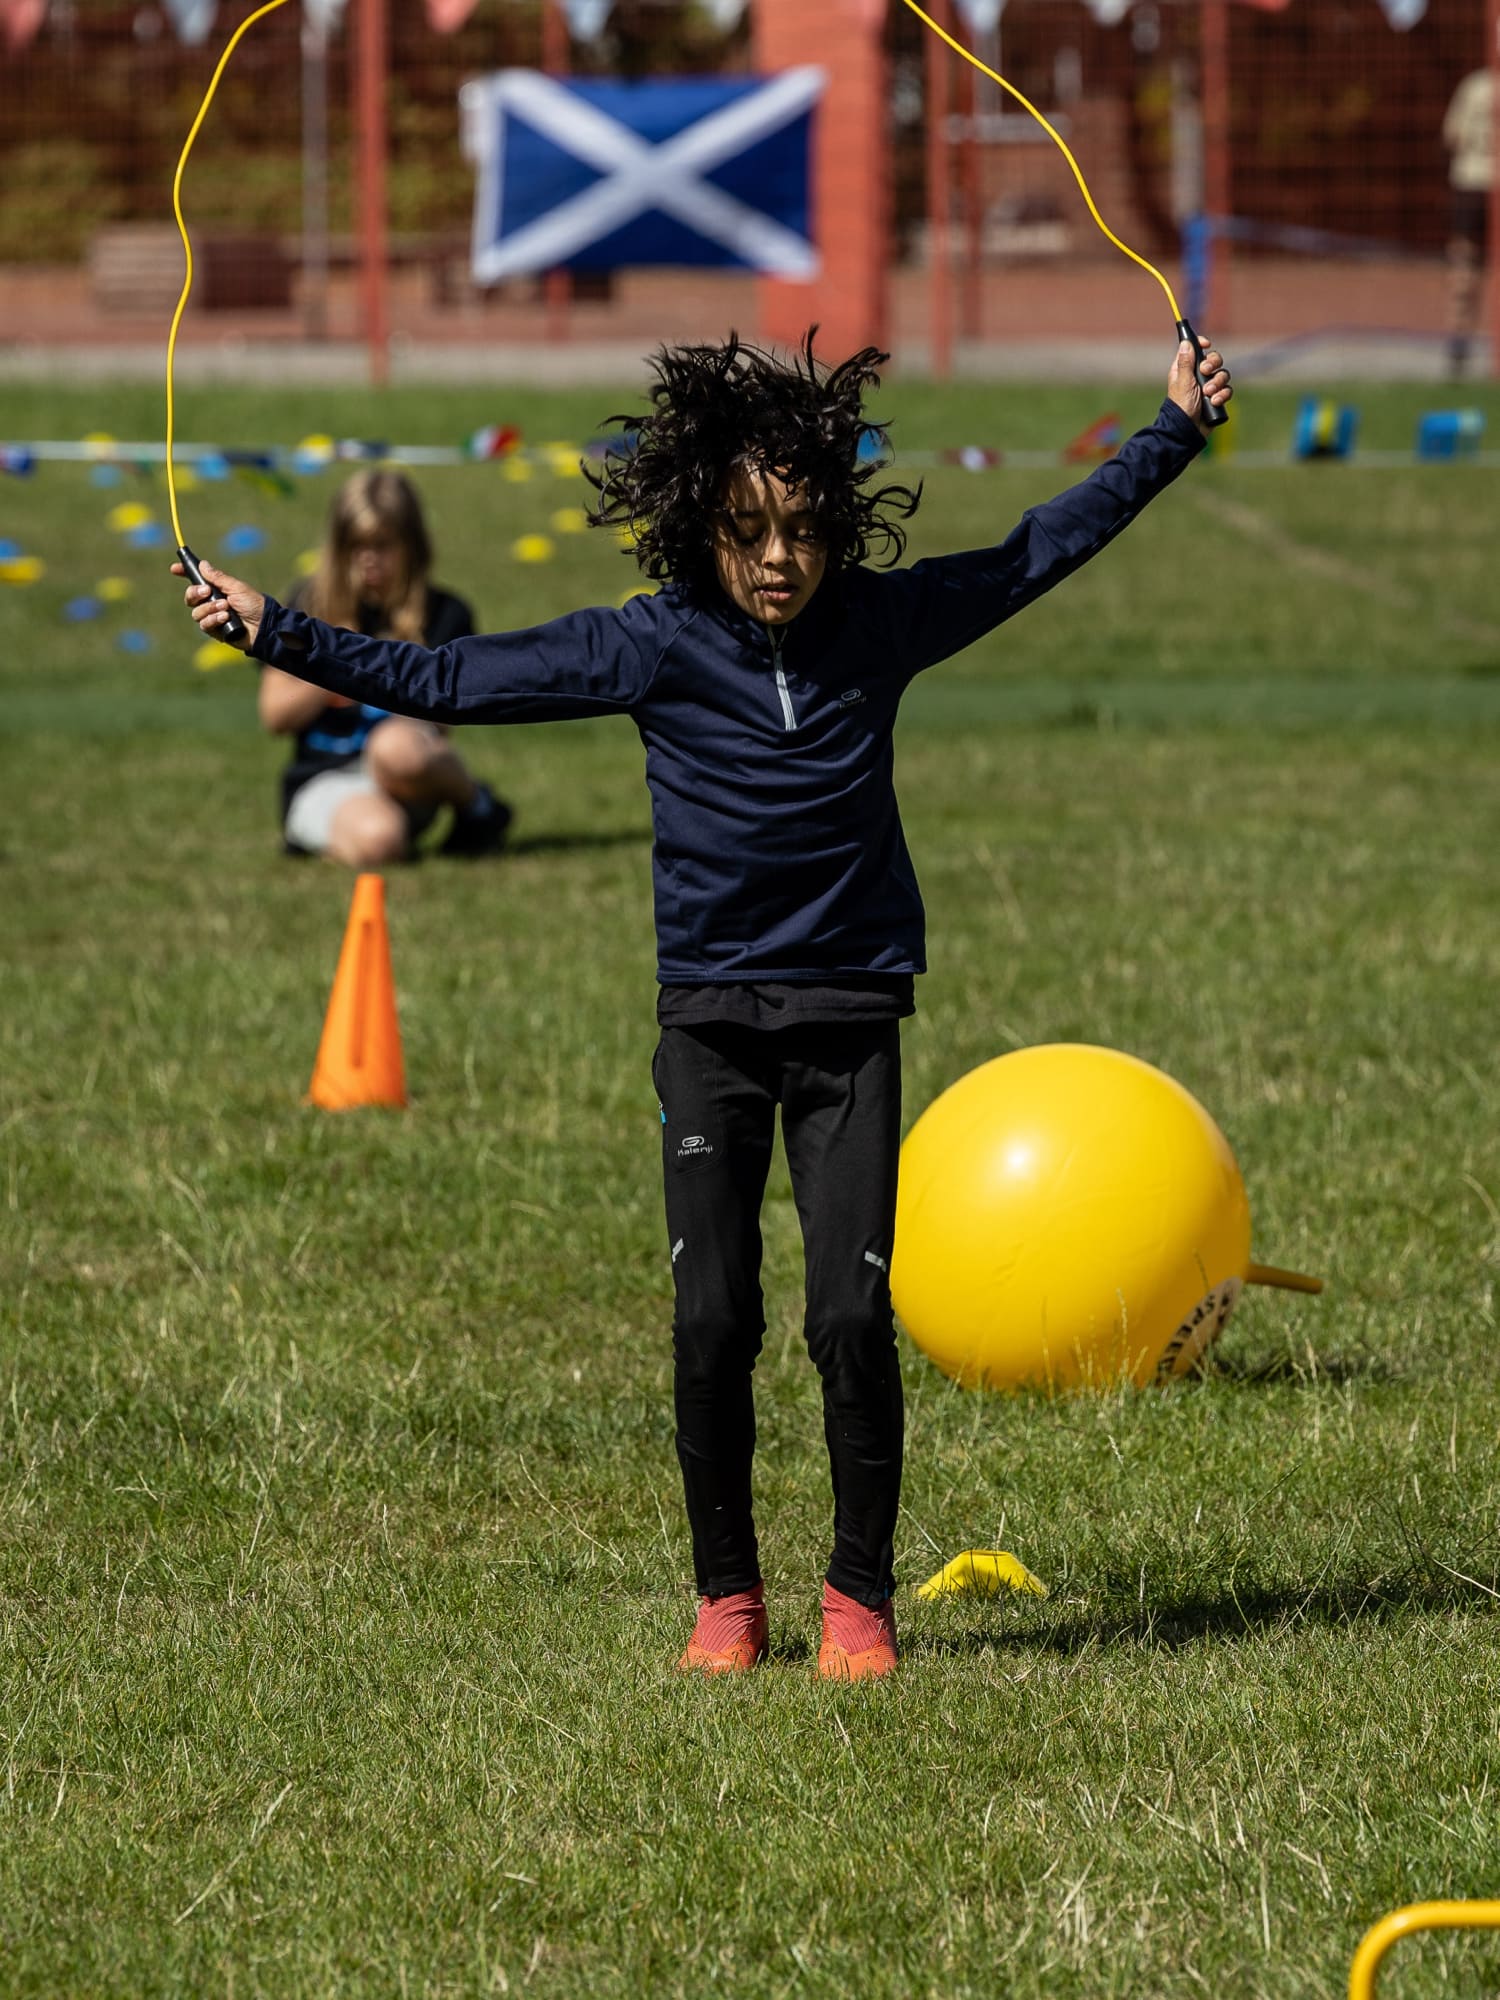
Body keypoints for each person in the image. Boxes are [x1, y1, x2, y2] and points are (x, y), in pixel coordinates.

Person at [176, 329, 1232, 1680]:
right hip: (711, 1027)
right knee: (712, 1320)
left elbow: (1038, 548)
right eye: (747, 531)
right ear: (700, 529)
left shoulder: (880, 625)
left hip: (850, 1022)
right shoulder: (654, 645)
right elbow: (453, 680)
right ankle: (727, 1600)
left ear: (836, 526)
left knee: (849, 1320)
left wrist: (1172, 432)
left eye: (800, 527)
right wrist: (278, 629)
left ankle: (859, 1602)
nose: (779, 557)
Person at [262, 468, 512, 864]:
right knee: (380, 838)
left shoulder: (445, 613)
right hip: (326, 777)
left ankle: (479, 808)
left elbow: (446, 723)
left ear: (412, 545)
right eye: (355, 546)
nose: (368, 560)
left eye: (382, 545)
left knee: (395, 748)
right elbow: (275, 715)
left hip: (406, 777)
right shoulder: (309, 606)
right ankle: (335, 832)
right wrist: (334, 665)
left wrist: (393, 669)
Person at [1442, 66, 1494, 379]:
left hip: (1471, 183)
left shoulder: (1474, 85)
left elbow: (1452, 136)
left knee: (1464, 265)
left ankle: (1459, 341)